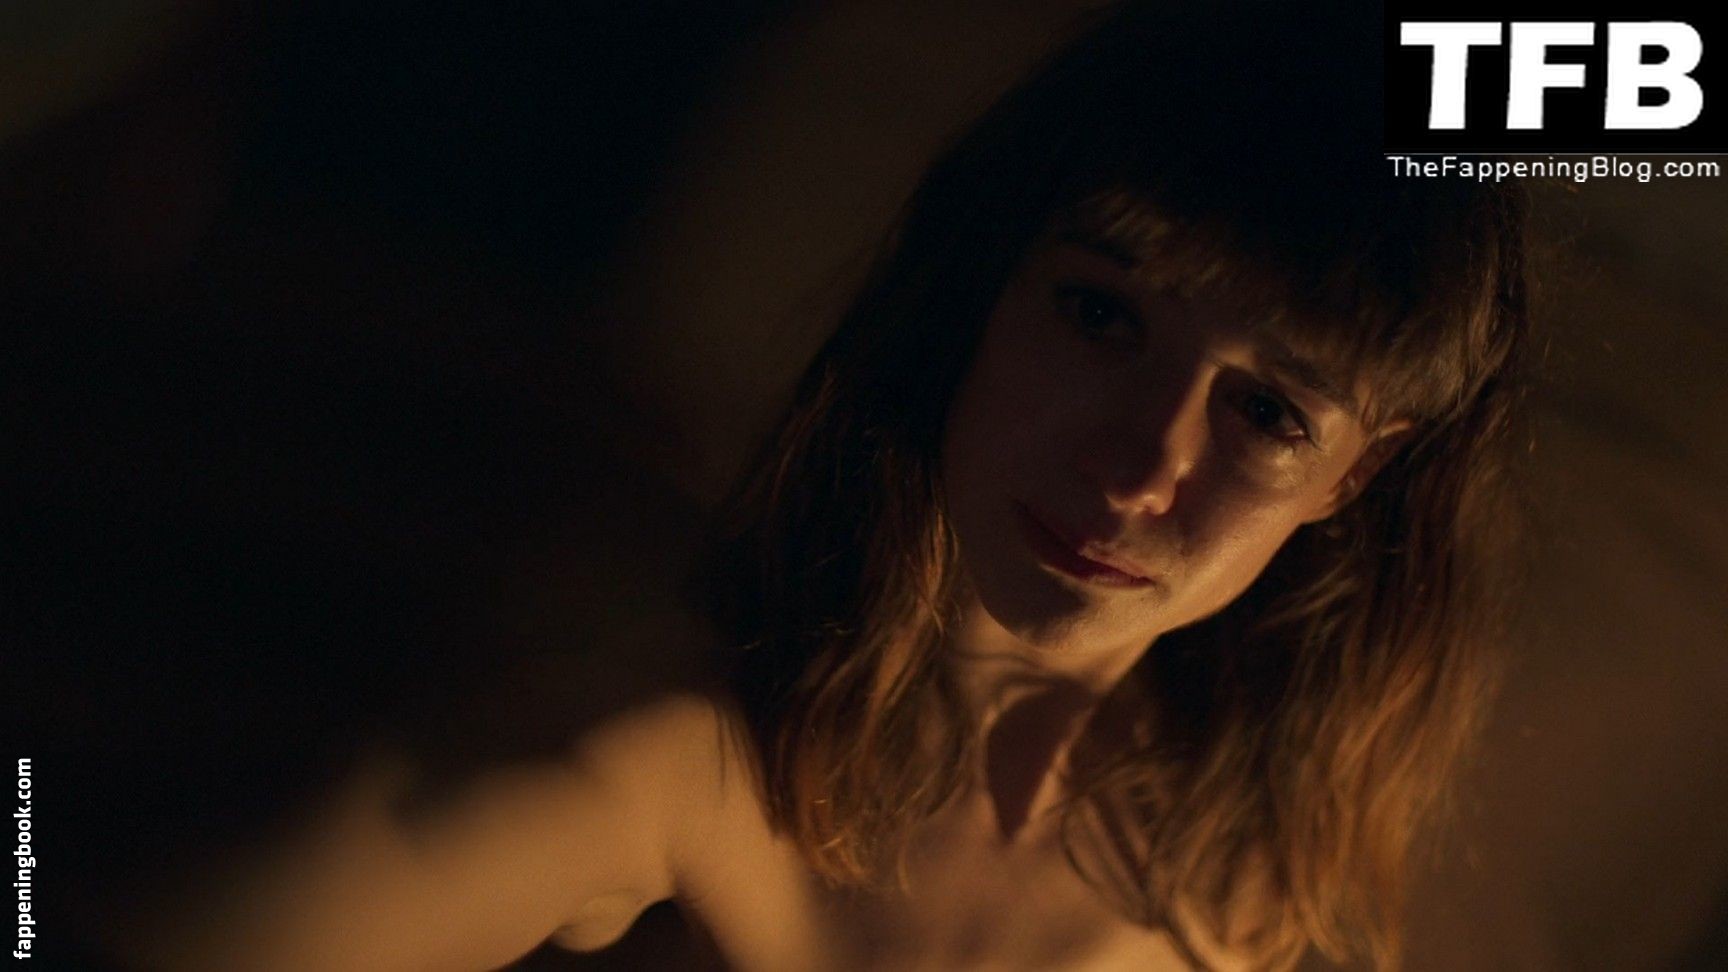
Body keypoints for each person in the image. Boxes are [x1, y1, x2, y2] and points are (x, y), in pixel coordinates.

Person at [114, 2, 1532, 969]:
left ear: (1357, 474)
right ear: (984, 291)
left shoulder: (1252, 875)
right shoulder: (673, 766)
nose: (1141, 465)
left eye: (1269, 411)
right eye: (1099, 315)